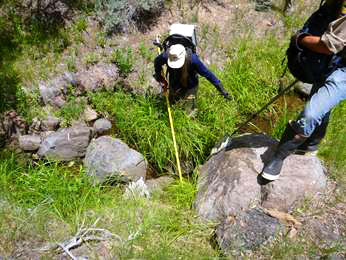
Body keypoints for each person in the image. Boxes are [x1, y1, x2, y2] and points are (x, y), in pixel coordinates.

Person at [261, 0, 346, 181]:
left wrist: (299, 39)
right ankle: (311, 144)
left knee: (312, 112)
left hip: (341, 70)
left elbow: (327, 46)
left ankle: (279, 157)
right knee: (321, 101)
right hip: (333, 62)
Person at [154, 44, 230, 116]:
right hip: (174, 81)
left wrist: (222, 90)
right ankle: (174, 113)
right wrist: (160, 78)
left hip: (191, 85)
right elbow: (157, 62)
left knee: (189, 109)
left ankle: (190, 117)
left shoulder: (193, 60)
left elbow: (208, 74)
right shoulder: (167, 55)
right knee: (172, 103)